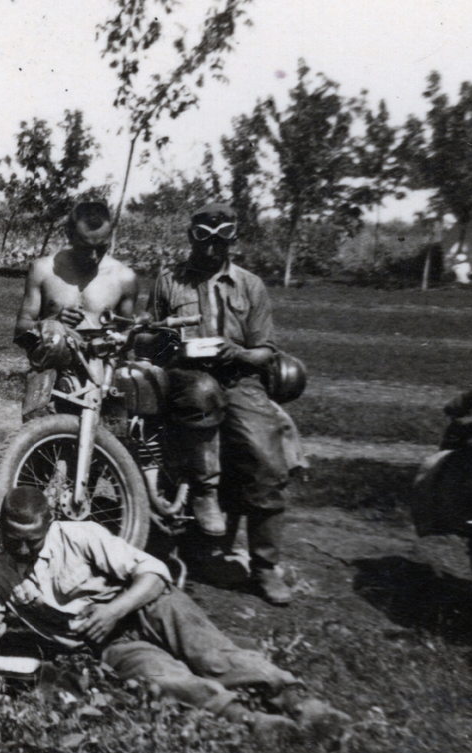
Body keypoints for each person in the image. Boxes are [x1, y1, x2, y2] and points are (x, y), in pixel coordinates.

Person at [0, 488, 349, 739]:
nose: (22, 551)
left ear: (49, 525)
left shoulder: (80, 536)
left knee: (212, 656)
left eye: (32, 542)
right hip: (108, 643)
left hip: (147, 605)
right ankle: (252, 721)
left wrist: (113, 610)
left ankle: (296, 700)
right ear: (1, 530)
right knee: (166, 680)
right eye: (13, 540)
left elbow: (153, 572)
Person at [151, 203, 294, 604]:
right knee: (198, 397)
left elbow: (264, 351)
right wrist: (169, 340)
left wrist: (235, 352)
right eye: (203, 238)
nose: (212, 248)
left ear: (233, 239)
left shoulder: (250, 285)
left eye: (222, 238)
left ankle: (265, 567)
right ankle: (202, 499)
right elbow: (150, 340)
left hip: (239, 379)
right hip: (186, 379)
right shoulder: (169, 281)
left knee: (267, 457)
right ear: (190, 237)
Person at [15, 200, 138, 421]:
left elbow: (130, 337)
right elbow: (21, 331)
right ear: (69, 235)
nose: (93, 256)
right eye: (85, 247)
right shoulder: (43, 270)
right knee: (37, 432)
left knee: (117, 439)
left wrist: (119, 337)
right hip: (53, 370)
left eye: (101, 248)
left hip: (103, 371)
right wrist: (53, 323)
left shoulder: (124, 278)